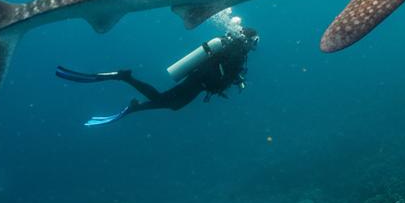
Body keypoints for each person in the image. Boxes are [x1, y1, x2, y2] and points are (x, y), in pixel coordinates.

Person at [57, 26, 258, 125]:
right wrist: (232, 79)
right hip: (198, 82)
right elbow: (223, 71)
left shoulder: (236, 51)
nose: (254, 45)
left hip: (199, 82)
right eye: (254, 41)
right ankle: (125, 79)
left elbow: (225, 70)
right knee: (167, 102)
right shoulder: (238, 52)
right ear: (248, 39)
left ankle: (133, 104)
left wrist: (236, 80)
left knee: (172, 104)